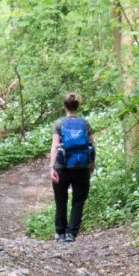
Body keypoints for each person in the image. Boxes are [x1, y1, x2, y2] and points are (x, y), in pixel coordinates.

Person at [49, 92, 95, 242]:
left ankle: (60, 233)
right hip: (81, 166)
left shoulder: (58, 124)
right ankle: (71, 233)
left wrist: (52, 167)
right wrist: (91, 164)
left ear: (64, 106)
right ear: (77, 106)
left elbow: (55, 145)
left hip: (61, 166)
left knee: (60, 199)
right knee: (78, 200)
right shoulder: (85, 123)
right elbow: (92, 145)